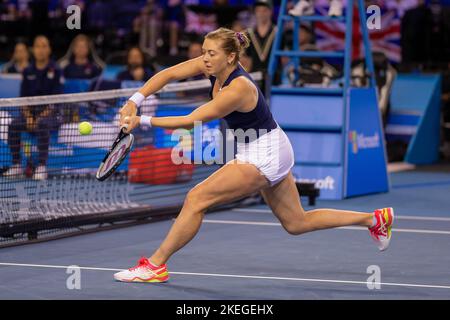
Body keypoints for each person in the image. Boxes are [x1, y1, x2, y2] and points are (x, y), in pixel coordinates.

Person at [114, 27, 394, 283]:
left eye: (211, 53)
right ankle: (374, 220)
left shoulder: (238, 88)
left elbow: (192, 120)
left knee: (196, 198)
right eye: (203, 52)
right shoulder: (215, 66)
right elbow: (169, 74)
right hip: (270, 145)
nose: (205, 59)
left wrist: (143, 121)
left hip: (264, 153)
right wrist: (134, 100)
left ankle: (155, 266)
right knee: (297, 223)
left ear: (231, 56)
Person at [4, 35, 63, 181]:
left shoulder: (56, 70)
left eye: (44, 46)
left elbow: (56, 101)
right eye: (38, 46)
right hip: (31, 113)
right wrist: (29, 117)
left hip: (52, 113)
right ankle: (16, 164)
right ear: (33, 50)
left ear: (49, 49)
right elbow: (23, 99)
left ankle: (42, 166)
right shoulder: (27, 71)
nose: (41, 50)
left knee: (42, 124)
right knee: (13, 125)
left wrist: (40, 117)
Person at [246, 0, 276, 74]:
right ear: (255, 12)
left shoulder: (278, 32)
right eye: (258, 10)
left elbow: (284, 58)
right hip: (254, 75)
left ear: (271, 11)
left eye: (264, 10)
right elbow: (247, 58)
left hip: (274, 76)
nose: (261, 14)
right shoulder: (249, 34)